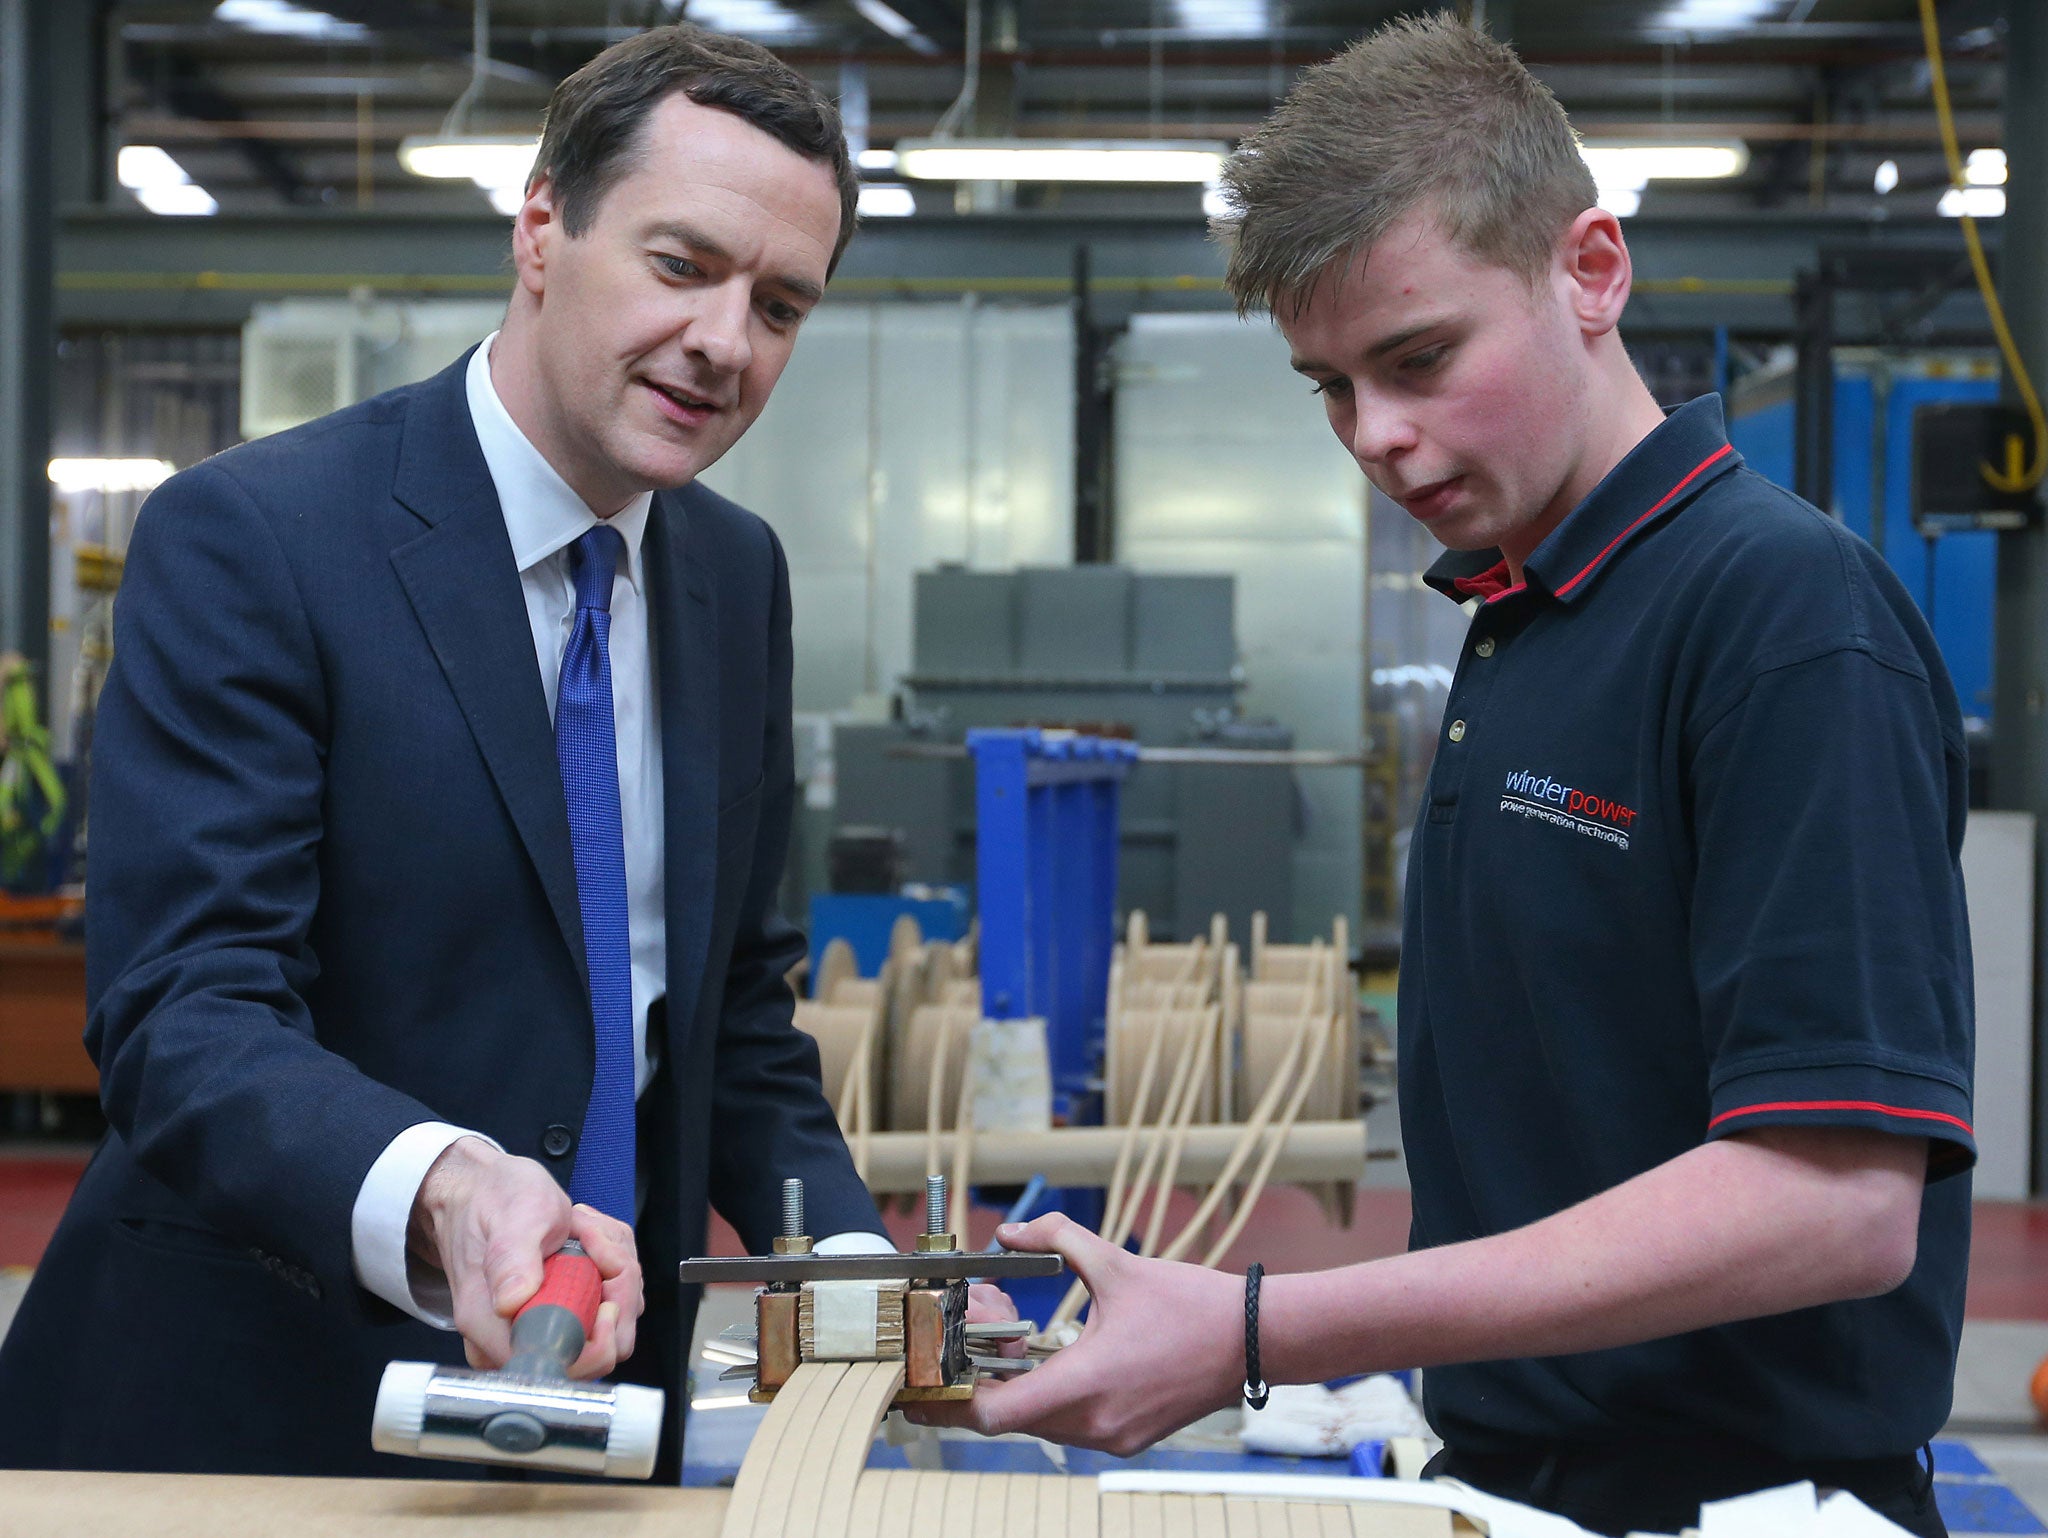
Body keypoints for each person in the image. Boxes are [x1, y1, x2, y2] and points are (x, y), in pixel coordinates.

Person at [932, 18, 1973, 1538]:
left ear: (1592, 272)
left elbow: (1837, 1199)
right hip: (1513, 1486)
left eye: (1420, 358)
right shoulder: (1525, 610)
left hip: (1743, 1510)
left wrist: (1256, 1327)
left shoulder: (1782, 619)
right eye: (1332, 387)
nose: (1381, 437)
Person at [0, 24, 890, 1481]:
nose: (728, 342)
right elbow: (185, 1009)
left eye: (781, 304)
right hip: (262, 1418)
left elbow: (725, 1012)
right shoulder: (262, 540)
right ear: (542, 228)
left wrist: (858, 1272)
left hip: (605, 1408)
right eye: (682, 265)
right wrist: (449, 1185)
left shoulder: (736, 579)